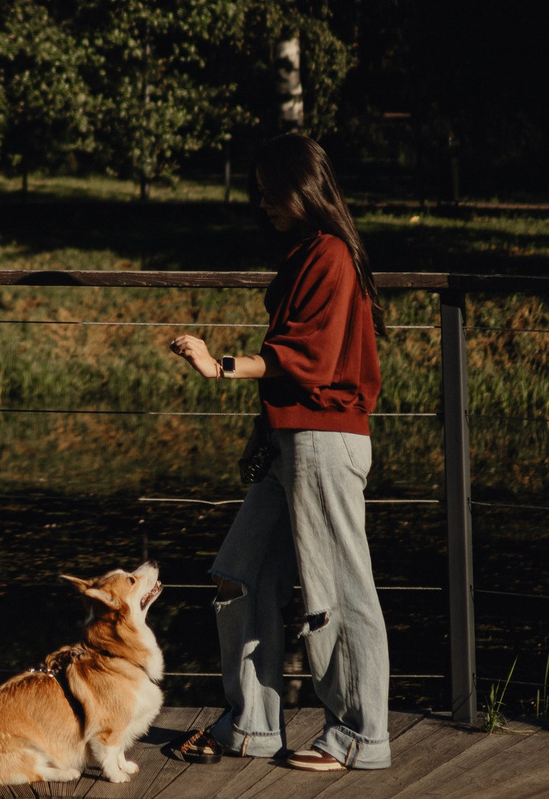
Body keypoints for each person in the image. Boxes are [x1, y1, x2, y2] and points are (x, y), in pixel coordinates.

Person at [164, 132, 390, 772]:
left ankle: (360, 736)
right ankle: (251, 726)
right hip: (292, 437)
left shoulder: (333, 256)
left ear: (301, 188)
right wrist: (261, 434)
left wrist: (221, 365)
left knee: (339, 590)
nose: (261, 203)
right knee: (237, 574)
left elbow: (311, 357)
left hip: (325, 438)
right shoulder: (306, 252)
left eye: (268, 191)